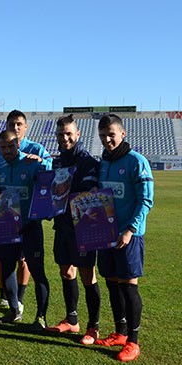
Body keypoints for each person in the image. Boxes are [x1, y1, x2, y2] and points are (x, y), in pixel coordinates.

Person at [95, 114, 153, 362]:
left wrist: (130, 230)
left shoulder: (136, 161)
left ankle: (134, 341)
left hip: (129, 235)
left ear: (122, 133)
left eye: (111, 134)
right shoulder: (104, 162)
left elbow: (146, 200)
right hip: (106, 235)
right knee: (111, 282)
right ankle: (120, 332)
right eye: (103, 135)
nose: (107, 139)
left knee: (129, 286)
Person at [44, 115, 102, 345]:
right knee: (66, 271)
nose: (64, 138)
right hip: (63, 226)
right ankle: (72, 320)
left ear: (77, 135)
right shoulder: (57, 163)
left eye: (69, 133)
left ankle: (93, 327)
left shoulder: (88, 162)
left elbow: (88, 193)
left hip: (85, 227)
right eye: (60, 134)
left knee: (88, 275)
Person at [0, 110, 52, 311]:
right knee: (7, 268)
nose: (7, 150)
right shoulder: (0, 169)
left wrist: (42, 163)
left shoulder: (32, 161)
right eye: (3, 147)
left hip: (30, 225)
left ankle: (41, 317)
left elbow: (53, 179)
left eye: (11, 146)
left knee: (36, 270)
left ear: (18, 144)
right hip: (7, 226)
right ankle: (14, 310)